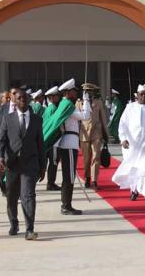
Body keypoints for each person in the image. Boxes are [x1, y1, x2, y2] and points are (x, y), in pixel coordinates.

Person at [0, 89, 46, 240]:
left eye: (25, 98)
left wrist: (43, 166)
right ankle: (14, 222)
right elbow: (1, 140)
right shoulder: (8, 118)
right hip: (12, 164)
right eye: (19, 98)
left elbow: (40, 144)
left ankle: (29, 229)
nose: (22, 100)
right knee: (12, 196)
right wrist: (0, 158)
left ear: (29, 100)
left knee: (28, 195)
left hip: (30, 163)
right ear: (15, 101)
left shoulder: (37, 119)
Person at [43, 78, 91, 215]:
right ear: (68, 92)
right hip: (69, 143)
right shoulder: (67, 106)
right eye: (74, 91)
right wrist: (86, 100)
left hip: (70, 142)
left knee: (68, 176)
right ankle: (66, 206)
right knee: (69, 176)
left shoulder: (66, 105)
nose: (76, 93)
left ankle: (67, 204)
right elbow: (85, 116)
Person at [112, 85, 145, 205]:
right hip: (133, 144)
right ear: (137, 94)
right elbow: (122, 125)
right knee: (134, 168)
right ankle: (134, 190)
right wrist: (123, 139)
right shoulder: (130, 107)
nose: (143, 96)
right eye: (141, 94)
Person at [80, 83, 109, 190]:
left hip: (96, 132)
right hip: (84, 133)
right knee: (86, 158)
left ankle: (94, 180)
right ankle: (87, 178)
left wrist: (106, 134)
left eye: (90, 91)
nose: (88, 93)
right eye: (86, 91)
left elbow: (103, 119)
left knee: (96, 156)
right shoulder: (79, 103)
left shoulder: (98, 102)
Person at [0, 88, 17, 196]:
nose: (9, 99)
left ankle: (12, 190)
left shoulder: (15, 109)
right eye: (7, 97)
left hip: (12, 146)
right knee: (0, 171)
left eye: (10, 97)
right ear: (1, 99)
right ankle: (4, 189)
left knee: (12, 168)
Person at [43, 86, 62, 191]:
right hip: (53, 141)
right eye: (56, 96)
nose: (58, 98)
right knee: (53, 162)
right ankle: (51, 183)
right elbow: (55, 125)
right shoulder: (54, 109)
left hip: (47, 140)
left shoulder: (47, 109)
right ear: (52, 97)